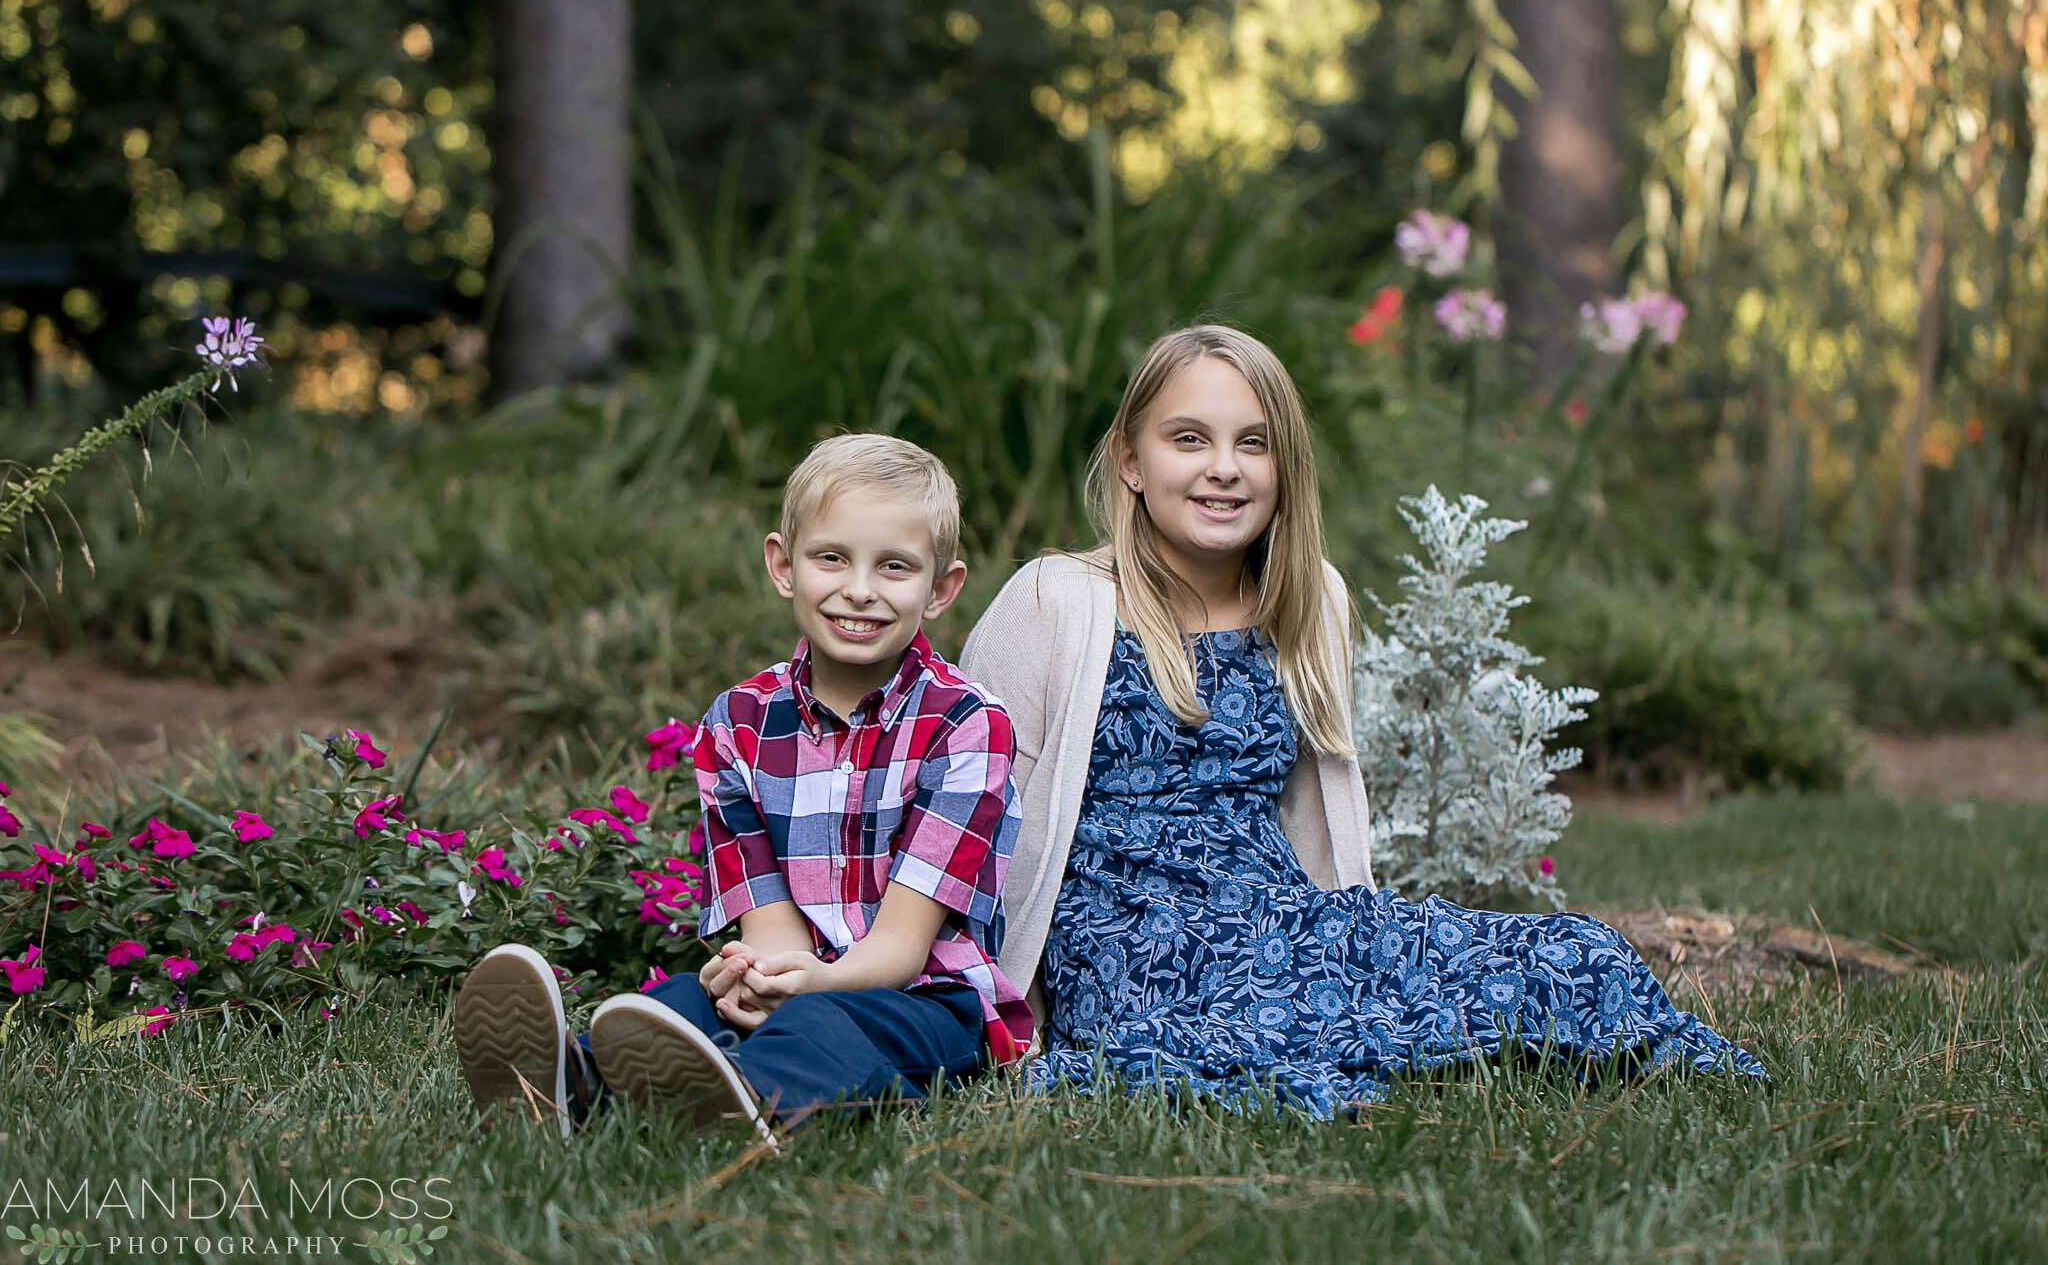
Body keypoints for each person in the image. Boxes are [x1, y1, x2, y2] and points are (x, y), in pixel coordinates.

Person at [958, 324, 1764, 1117]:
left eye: (1254, 444)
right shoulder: (1055, 599)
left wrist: (1356, 933)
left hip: (1279, 916)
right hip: (1131, 942)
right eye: (1189, 439)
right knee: (1236, 1033)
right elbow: (968, 795)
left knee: (1572, 953)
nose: (1223, 469)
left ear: (1285, 469)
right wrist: (989, 996)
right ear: (1131, 461)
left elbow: (1319, 813)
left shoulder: (1310, 601)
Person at [453, 433, 1033, 1142]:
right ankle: (562, 1088)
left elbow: (903, 948)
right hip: (805, 984)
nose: (859, 589)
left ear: (940, 589)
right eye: (831, 558)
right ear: (782, 566)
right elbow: (771, 928)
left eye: (894, 567)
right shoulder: (739, 724)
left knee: (823, 1027)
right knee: (676, 1005)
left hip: (928, 1005)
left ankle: (742, 1103)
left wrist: (813, 987)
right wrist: (761, 978)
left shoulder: (966, 724)